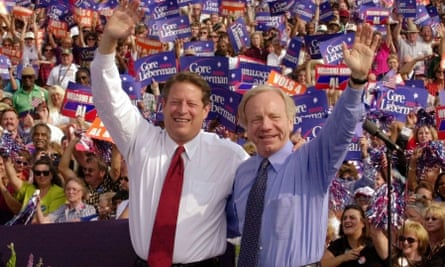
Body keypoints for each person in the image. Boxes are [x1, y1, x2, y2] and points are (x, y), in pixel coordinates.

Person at [90, 1, 249, 266]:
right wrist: (108, 43)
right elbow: (109, 99)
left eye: (191, 104)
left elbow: (264, 189)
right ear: (162, 106)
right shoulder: (140, 140)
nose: (182, 110)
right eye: (175, 102)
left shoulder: (230, 155)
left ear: (206, 110)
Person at [227, 23, 381, 266]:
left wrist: (357, 81)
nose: (265, 126)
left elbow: (339, 129)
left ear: (290, 122)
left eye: (274, 117)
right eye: (256, 119)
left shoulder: (312, 161)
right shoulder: (244, 172)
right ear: (246, 127)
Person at [320, 205, 388, 267]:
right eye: (344, 218)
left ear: (363, 223)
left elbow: (390, 259)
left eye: (352, 218)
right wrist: (343, 257)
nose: (347, 220)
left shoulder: (374, 244)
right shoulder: (338, 245)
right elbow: (322, 264)